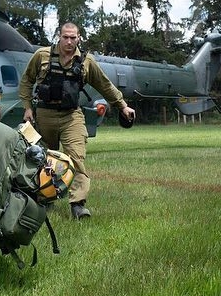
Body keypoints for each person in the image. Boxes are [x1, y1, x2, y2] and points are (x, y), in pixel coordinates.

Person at [18, 22, 135, 220]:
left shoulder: (86, 61)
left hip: (71, 116)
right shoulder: (42, 56)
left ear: (79, 38)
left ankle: (78, 205)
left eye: (73, 37)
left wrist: (122, 105)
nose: (69, 41)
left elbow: (105, 84)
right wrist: (28, 107)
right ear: (59, 36)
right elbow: (27, 80)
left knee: (76, 158)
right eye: (66, 37)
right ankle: (43, 199)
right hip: (44, 114)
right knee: (41, 158)